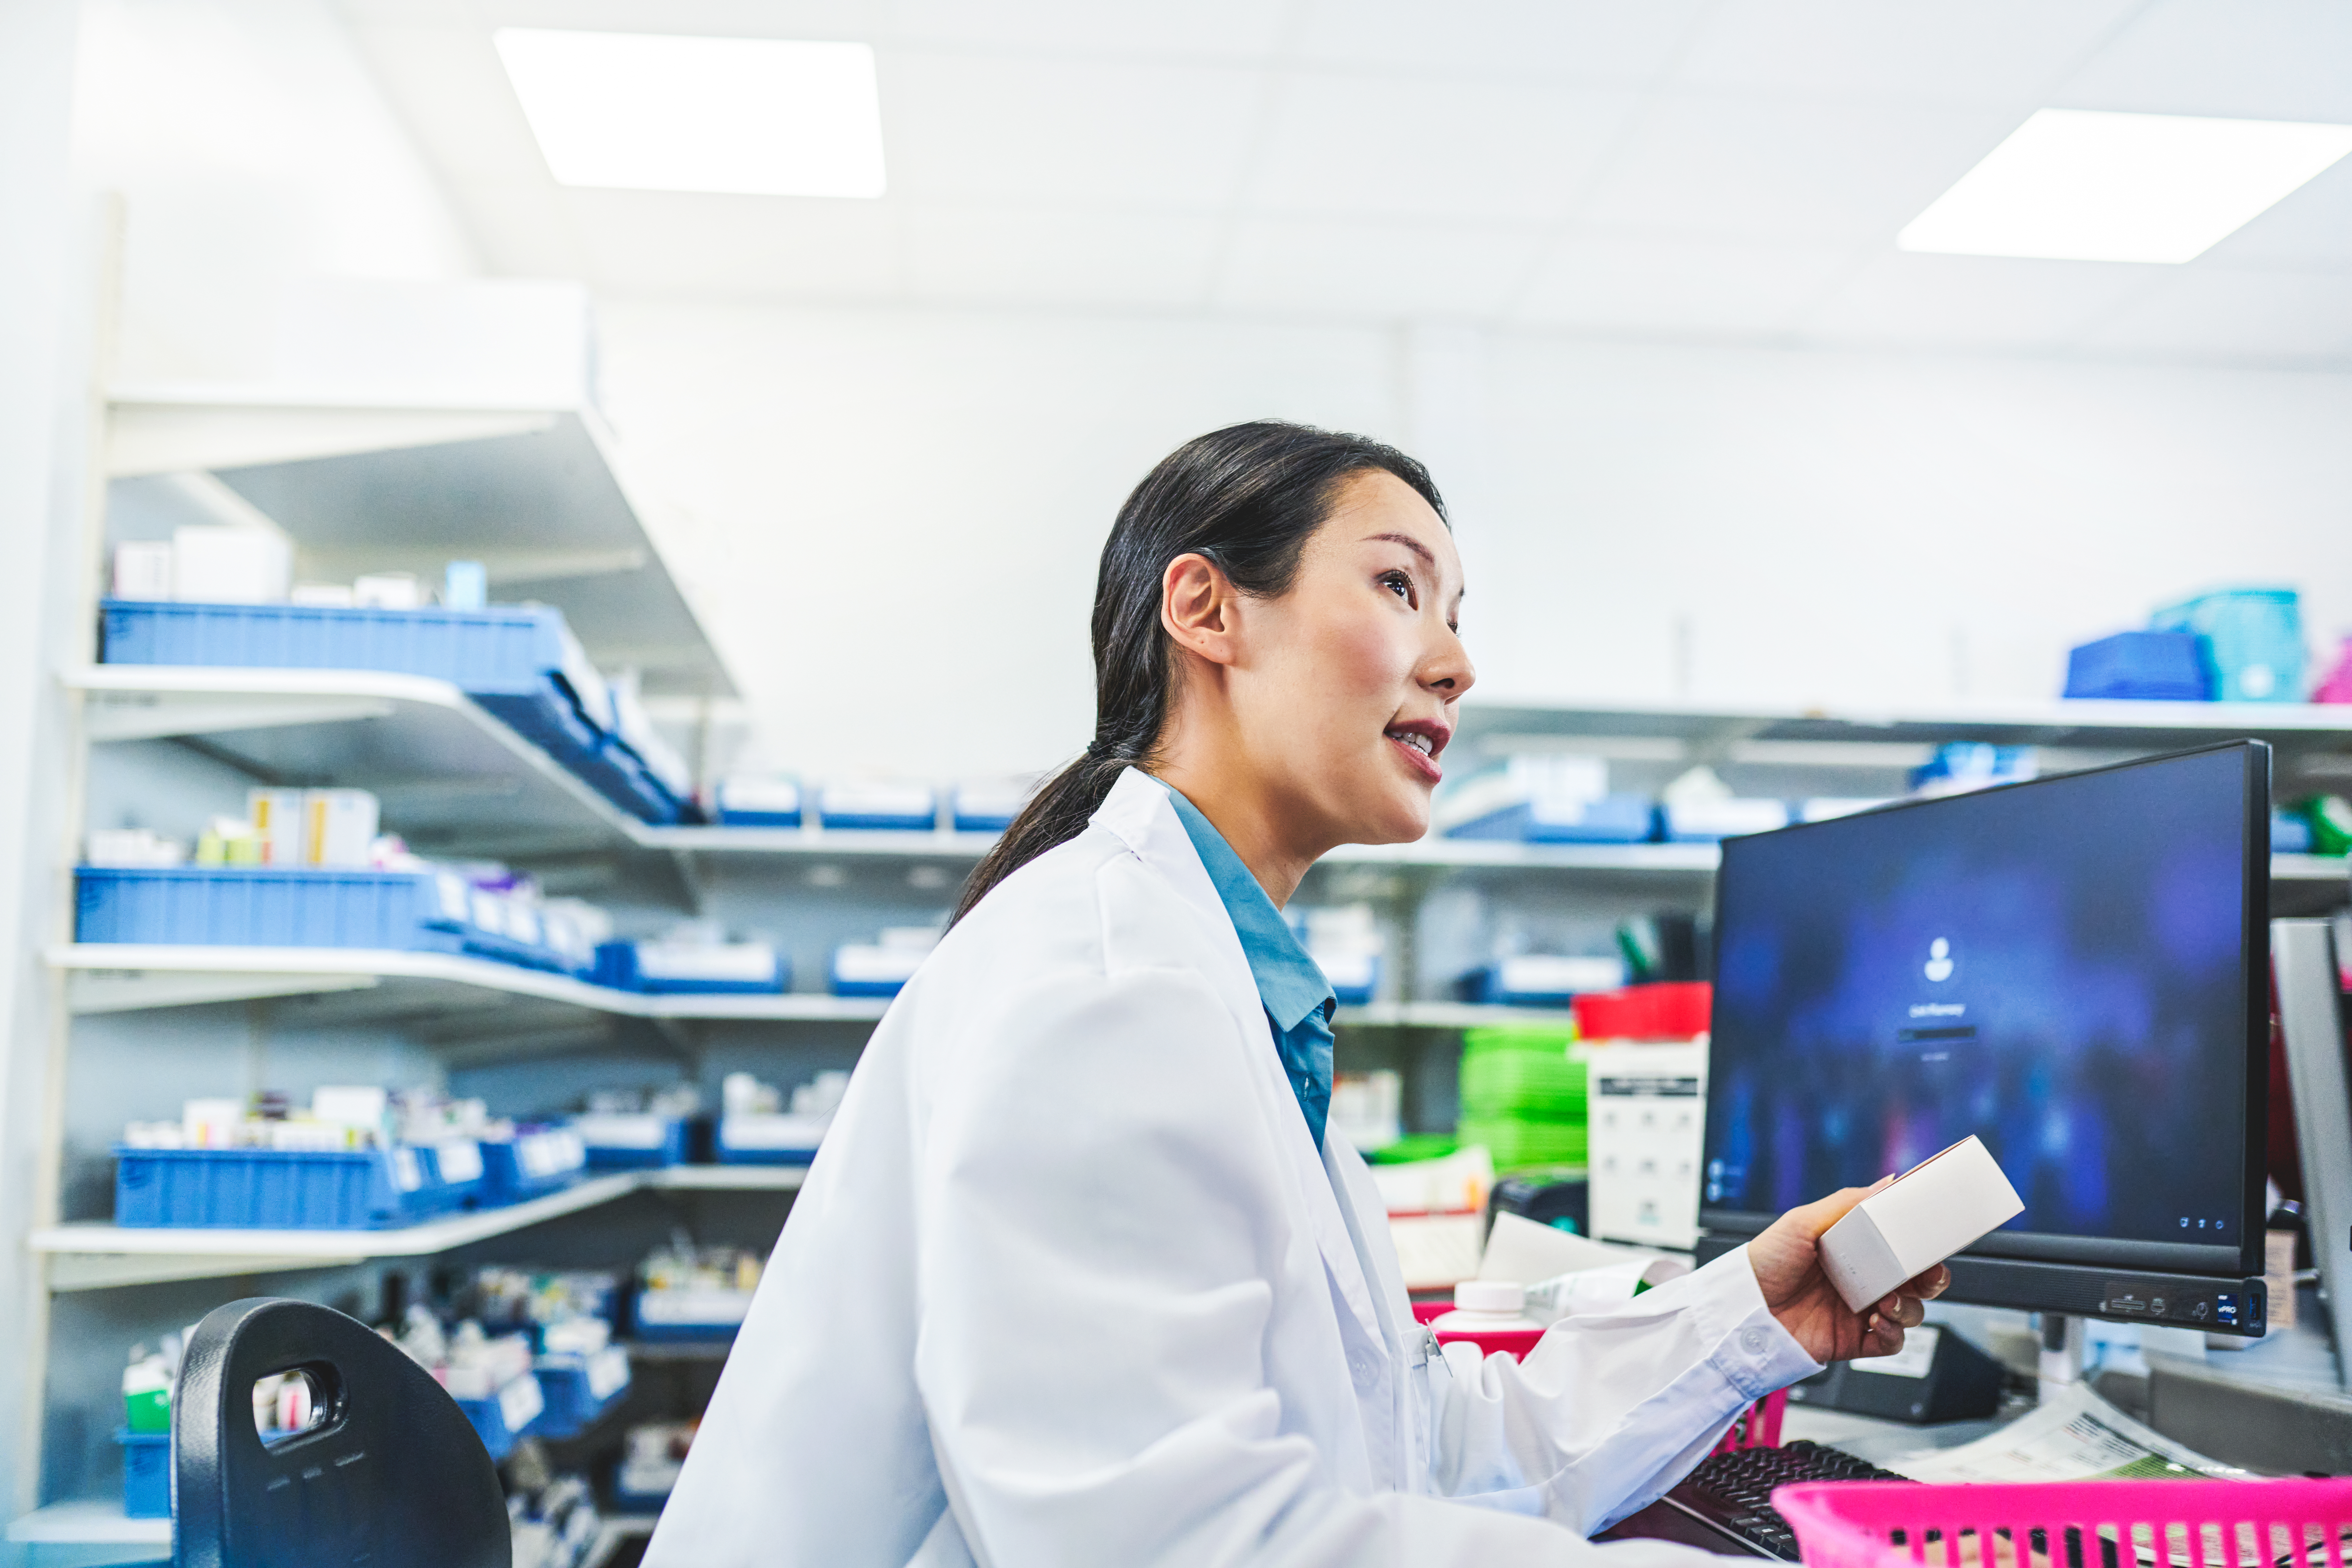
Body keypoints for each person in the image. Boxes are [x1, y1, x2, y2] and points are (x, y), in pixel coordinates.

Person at [646, 421, 1947, 1567]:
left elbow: (1417, 1454)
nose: (1456, 664)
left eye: (1458, 614)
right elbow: (1178, 1545)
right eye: (1400, 586)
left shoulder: (1218, 987)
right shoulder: (1110, 990)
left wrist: (1751, 1315)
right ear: (1208, 610)